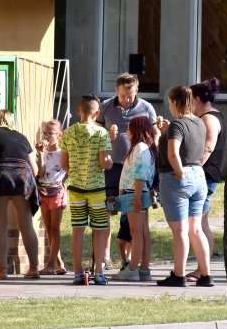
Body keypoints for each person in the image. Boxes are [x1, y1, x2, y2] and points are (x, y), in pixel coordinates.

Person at [97, 73, 158, 271]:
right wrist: (108, 134)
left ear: (137, 90)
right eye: (123, 95)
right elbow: (96, 134)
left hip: (137, 169)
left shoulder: (147, 108)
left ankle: (132, 258)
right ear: (116, 91)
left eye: (130, 95)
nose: (126, 99)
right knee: (107, 208)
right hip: (112, 166)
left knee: (134, 217)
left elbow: (154, 135)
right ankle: (105, 255)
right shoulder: (106, 106)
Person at [156, 86, 213, 287]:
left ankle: (178, 275)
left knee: (179, 230)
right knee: (195, 229)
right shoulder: (199, 122)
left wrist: (178, 172)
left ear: (175, 102)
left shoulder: (177, 125)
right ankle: (206, 274)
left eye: (170, 102)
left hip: (177, 178)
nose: (169, 106)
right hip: (198, 176)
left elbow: (173, 153)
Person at [0, 110, 40, 280]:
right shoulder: (22, 137)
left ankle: (3, 270)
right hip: (23, 177)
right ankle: (34, 268)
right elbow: (35, 169)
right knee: (26, 225)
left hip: (0, 176)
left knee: (0, 226)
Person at [60, 95, 114, 285]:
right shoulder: (101, 133)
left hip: (75, 188)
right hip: (97, 189)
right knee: (99, 229)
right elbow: (103, 162)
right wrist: (108, 163)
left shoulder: (67, 133)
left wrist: (75, 172)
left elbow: (63, 163)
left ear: (78, 111)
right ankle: (98, 271)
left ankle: (77, 272)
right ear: (97, 113)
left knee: (78, 229)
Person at [188, 77, 227, 281]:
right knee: (200, 222)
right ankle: (203, 266)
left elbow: (208, 147)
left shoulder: (209, 118)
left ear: (197, 99)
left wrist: (193, 168)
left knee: (198, 224)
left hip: (205, 176)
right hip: (204, 175)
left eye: (190, 99)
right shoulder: (208, 116)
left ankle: (203, 268)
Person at [113, 116, 156, 281]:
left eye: (129, 128)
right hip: (136, 192)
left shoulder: (140, 148)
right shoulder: (145, 147)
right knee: (143, 233)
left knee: (136, 233)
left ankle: (132, 269)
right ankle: (144, 269)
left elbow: (140, 174)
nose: (127, 132)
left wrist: (137, 197)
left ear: (136, 130)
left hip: (134, 193)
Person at [35, 119, 68, 276]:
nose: (47, 136)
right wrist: (40, 155)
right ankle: (59, 263)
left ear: (59, 135)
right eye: (45, 133)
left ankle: (50, 265)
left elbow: (68, 171)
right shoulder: (44, 152)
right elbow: (40, 173)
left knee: (55, 230)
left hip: (56, 192)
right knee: (49, 230)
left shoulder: (62, 153)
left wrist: (62, 184)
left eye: (51, 133)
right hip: (43, 191)